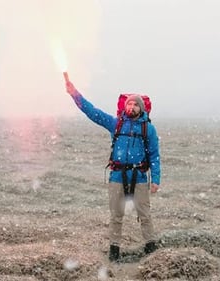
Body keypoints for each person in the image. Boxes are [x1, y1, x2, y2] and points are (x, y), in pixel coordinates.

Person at [65, 80, 161, 262]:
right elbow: (93, 112)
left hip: (139, 177)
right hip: (117, 175)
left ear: (141, 109)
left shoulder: (148, 128)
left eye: (135, 104)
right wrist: (74, 93)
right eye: (129, 104)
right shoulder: (116, 124)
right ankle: (114, 251)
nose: (131, 107)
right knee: (116, 215)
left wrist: (155, 179)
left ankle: (151, 249)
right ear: (124, 107)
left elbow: (155, 155)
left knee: (145, 215)